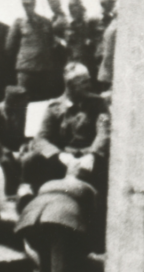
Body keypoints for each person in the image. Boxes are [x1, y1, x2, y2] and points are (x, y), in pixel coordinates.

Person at [21, 62, 110, 195]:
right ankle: (30, 195)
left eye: (88, 80)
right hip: (64, 159)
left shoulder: (98, 103)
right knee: (30, 159)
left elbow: (104, 132)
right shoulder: (55, 107)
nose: (89, 85)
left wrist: (93, 154)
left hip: (90, 159)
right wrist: (59, 155)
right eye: (84, 82)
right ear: (71, 85)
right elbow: (40, 138)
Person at [6, 0, 63, 101]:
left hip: (44, 70)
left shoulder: (45, 22)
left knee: (43, 100)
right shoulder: (18, 23)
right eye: (25, 5)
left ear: (34, 5)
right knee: (22, 101)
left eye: (30, 5)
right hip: (26, 71)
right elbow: (10, 47)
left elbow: (51, 44)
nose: (27, 7)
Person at [64, 0, 100, 83]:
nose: (72, 9)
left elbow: (97, 39)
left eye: (75, 6)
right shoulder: (68, 24)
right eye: (70, 7)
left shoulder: (89, 22)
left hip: (88, 59)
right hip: (74, 60)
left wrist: (91, 41)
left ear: (80, 7)